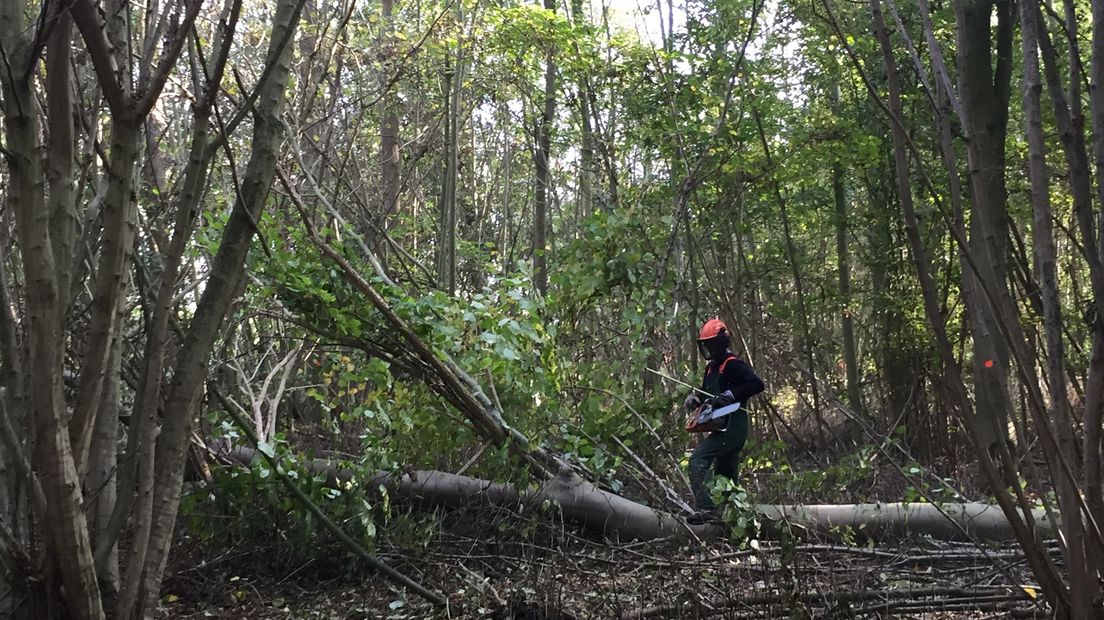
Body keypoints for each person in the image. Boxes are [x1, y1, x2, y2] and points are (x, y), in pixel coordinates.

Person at [683, 318, 764, 524]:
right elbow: (706, 395)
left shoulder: (734, 364)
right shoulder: (710, 369)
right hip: (719, 427)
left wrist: (731, 394)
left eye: (711, 343)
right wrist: (695, 399)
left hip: (734, 426)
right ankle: (733, 515)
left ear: (720, 343)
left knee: (697, 460)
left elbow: (756, 384)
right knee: (725, 473)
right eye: (705, 344)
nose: (708, 348)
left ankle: (706, 508)